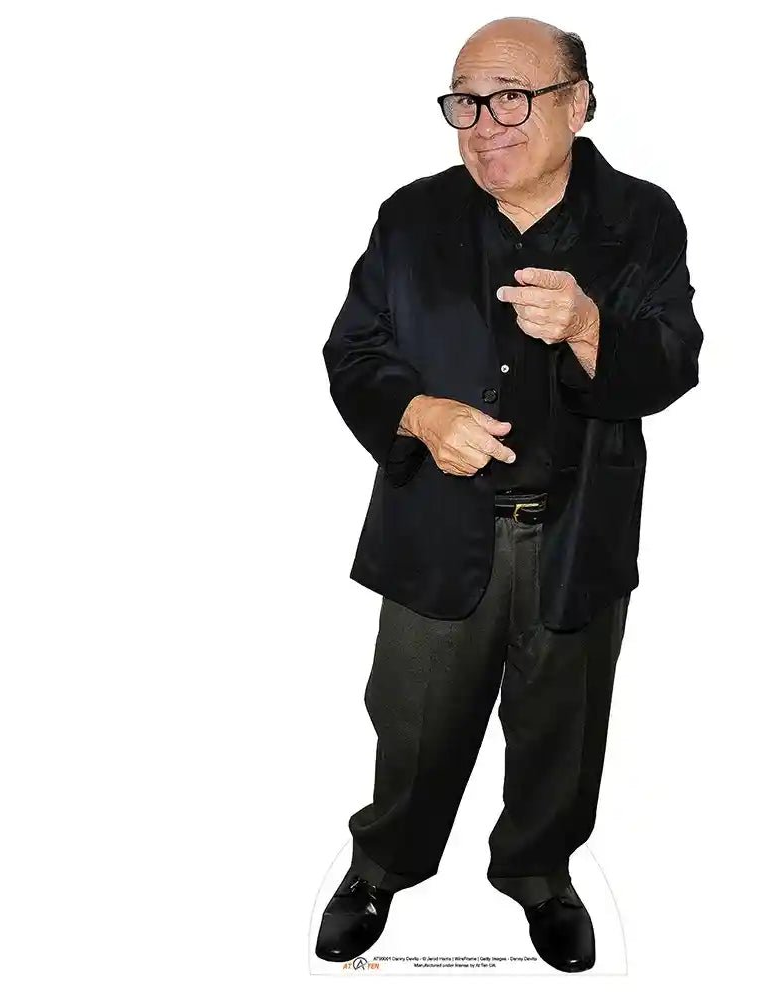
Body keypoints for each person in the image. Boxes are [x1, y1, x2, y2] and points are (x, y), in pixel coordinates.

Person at [315, 16, 704, 973]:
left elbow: (674, 363)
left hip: (578, 531)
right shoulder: (413, 216)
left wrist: (588, 327)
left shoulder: (642, 219)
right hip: (434, 530)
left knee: (561, 735)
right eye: (466, 101)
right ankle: (383, 866)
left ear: (578, 102)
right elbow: (353, 352)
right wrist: (417, 416)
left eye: (513, 97)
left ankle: (539, 872)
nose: (485, 123)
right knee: (411, 728)